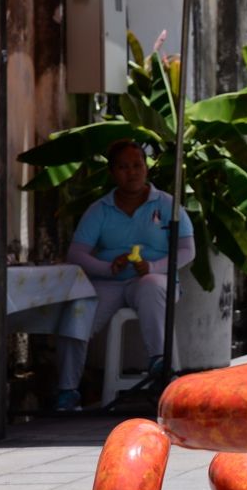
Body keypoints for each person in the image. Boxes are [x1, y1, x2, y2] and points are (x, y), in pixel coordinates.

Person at [54, 140, 194, 410]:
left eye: (137, 165)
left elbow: (188, 251)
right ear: (112, 173)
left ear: (146, 168)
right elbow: (77, 253)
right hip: (110, 283)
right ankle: (67, 390)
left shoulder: (167, 205)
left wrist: (152, 268)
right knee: (77, 311)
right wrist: (108, 267)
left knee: (150, 284)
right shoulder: (100, 209)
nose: (131, 172)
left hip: (157, 281)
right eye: (123, 167)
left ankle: (160, 366)